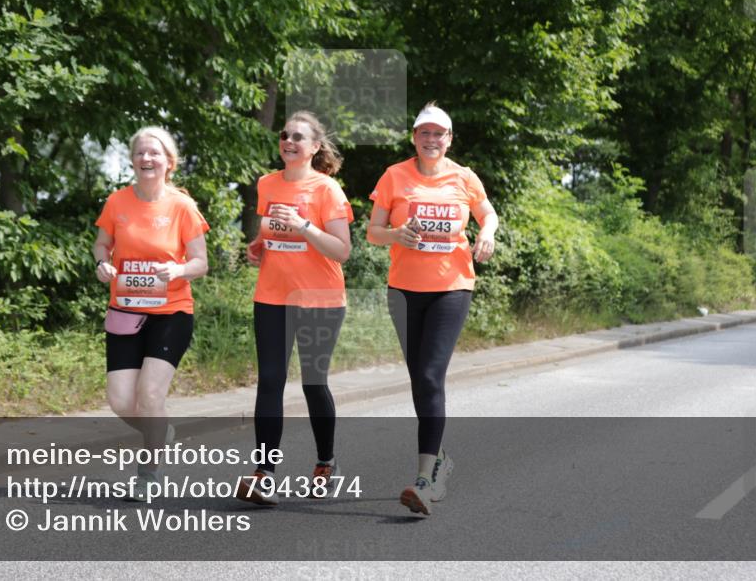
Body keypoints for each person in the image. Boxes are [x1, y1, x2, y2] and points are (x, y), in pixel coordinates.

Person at [367, 102, 499, 516]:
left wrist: (487, 233)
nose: (431, 139)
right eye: (424, 132)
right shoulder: (394, 176)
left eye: (438, 133)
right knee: (419, 381)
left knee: (429, 375)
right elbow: (373, 232)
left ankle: (425, 480)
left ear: (449, 139)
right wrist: (396, 234)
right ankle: (439, 457)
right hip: (404, 290)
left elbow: (487, 213)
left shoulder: (464, 177)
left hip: (451, 287)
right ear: (414, 138)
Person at [236, 111, 353, 506]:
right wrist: (259, 246)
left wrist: (304, 226)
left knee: (313, 383)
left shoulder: (327, 190)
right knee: (270, 381)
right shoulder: (267, 184)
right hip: (272, 296)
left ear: (315, 147)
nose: (288, 141)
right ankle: (264, 474)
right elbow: (270, 234)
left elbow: (342, 250)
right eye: (285, 135)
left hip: (320, 298)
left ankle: (326, 463)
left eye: (298, 137)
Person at [93, 127, 209, 497]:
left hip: (171, 312)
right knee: (120, 401)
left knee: (150, 396)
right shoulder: (117, 202)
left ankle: (148, 473)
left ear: (169, 162)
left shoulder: (181, 206)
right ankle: (161, 431)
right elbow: (101, 244)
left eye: (155, 153)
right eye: (141, 153)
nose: (147, 158)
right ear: (132, 160)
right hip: (125, 311)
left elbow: (201, 262)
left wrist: (178, 269)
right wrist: (101, 264)